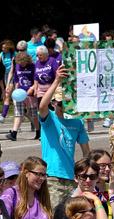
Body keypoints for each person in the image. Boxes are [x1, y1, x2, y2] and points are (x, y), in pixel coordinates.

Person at [38, 65, 90, 207]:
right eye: (61, 103)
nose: (64, 106)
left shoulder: (77, 122)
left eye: (67, 102)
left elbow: (86, 151)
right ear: (54, 103)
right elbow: (42, 106)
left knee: (72, 217)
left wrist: (85, 173)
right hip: (53, 176)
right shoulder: (50, 118)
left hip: (72, 177)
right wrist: (56, 80)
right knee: (55, 217)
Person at [5, 52, 38, 141]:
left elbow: (36, 79)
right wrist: (16, 90)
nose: (21, 64)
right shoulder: (17, 66)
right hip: (20, 93)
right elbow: (16, 79)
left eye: (23, 62)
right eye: (19, 62)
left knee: (33, 114)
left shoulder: (33, 66)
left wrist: (32, 88)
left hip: (30, 93)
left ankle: (39, 132)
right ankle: (14, 134)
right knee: (18, 113)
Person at [0, 39, 16, 123]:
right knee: (11, 96)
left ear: (9, 48)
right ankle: (31, 119)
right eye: (2, 47)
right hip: (7, 74)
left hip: (15, 74)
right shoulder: (2, 54)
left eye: (4, 48)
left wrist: (7, 84)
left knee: (8, 95)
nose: (3, 49)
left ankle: (3, 116)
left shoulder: (13, 54)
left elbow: (13, 68)